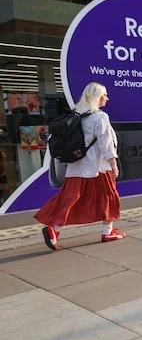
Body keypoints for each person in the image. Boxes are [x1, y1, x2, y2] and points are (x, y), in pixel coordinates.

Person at [35, 82, 125, 250]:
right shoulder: (100, 117)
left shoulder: (76, 114)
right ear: (97, 97)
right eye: (104, 95)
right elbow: (106, 143)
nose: (107, 98)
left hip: (76, 166)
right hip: (99, 167)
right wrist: (113, 163)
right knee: (108, 196)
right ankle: (107, 232)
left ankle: (54, 230)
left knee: (69, 199)